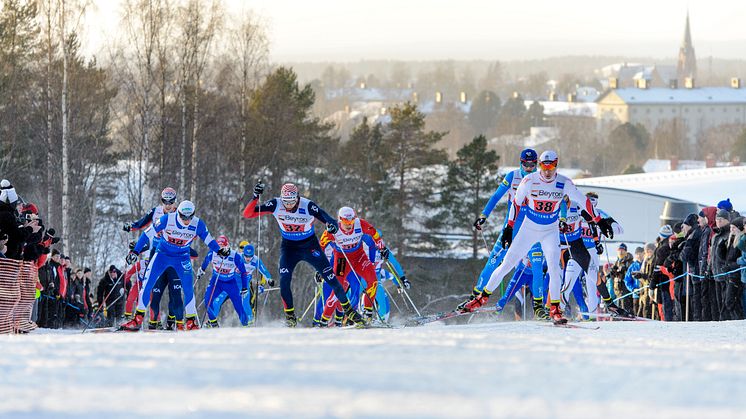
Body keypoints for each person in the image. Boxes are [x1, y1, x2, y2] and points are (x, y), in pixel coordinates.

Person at [460, 150, 611, 324]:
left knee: (554, 269)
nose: (547, 171)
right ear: (540, 165)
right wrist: (509, 227)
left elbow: (583, 201)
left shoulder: (564, 182)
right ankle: (480, 298)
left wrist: (600, 221)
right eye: (544, 166)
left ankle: (554, 309)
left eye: (551, 166)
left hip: (550, 231)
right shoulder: (529, 180)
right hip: (529, 228)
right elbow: (516, 203)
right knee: (506, 264)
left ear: (556, 165)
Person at [241, 182, 364, 327]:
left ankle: (349, 311)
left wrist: (331, 225)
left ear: (297, 198)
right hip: (289, 248)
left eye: (292, 201)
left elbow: (328, 219)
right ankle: (290, 316)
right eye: (286, 202)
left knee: (331, 278)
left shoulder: (307, 205)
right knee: (284, 281)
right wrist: (255, 197)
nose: (289, 205)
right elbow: (247, 214)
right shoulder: (276, 204)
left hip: (309, 246)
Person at [465, 148, 547, 318]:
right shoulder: (513, 176)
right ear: (521, 162)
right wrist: (483, 216)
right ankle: (476, 294)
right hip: (511, 227)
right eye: (526, 164)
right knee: (494, 261)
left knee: (537, 265)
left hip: (532, 229)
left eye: (533, 164)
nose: (529, 168)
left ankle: (539, 307)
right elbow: (496, 197)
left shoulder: (541, 179)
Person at [122, 200, 225, 331]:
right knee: (147, 283)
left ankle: (191, 321)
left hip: (182, 258)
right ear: (178, 214)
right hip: (162, 255)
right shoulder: (167, 219)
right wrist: (135, 251)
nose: (187, 220)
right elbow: (147, 233)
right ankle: (137, 319)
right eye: (183, 217)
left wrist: (219, 250)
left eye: (190, 217)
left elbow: (209, 239)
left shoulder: (197, 223)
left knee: (188, 289)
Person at [318, 206, 389, 324]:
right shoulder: (333, 229)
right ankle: (324, 320)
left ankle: (367, 313)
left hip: (359, 257)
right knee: (338, 289)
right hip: (342, 260)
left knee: (373, 281)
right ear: (340, 220)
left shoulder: (360, 224)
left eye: (351, 220)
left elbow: (375, 234)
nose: (349, 224)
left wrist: (382, 248)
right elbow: (320, 247)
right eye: (346, 221)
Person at [199, 235, 250, 327]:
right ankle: (213, 323)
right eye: (219, 247)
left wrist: (245, 287)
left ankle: (245, 324)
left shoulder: (235, 256)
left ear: (227, 246)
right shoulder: (213, 253)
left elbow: (243, 272)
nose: (221, 250)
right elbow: (206, 260)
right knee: (207, 300)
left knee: (238, 305)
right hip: (217, 282)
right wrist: (202, 270)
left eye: (223, 247)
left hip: (230, 283)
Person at [718, 216, 743, 320]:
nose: (731, 230)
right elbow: (724, 258)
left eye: (734, 228)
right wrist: (721, 247)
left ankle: (738, 320)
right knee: (728, 301)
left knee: (730, 301)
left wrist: (729, 267)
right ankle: (730, 321)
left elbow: (741, 261)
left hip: (737, 276)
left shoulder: (741, 241)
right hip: (730, 275)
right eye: (731, 228)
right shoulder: (731, 240)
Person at [680, 213, 702, 321]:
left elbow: (684, 255)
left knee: (696, 299)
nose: (682, 229)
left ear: (689, 225)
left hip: (696, 272)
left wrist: (684, 246)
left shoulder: (693, 235)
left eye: (683, 226)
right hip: (695, 271)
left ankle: (697, 320)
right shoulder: (693, 234)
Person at [698, 207, 718, 321]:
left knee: (709, 297)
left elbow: (706, 251)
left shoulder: (710, 231)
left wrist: (704, 269)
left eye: (703, 216)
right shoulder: (708, 229)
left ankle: (710, 320)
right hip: (707, 268)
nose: (700, 219)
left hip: (708, 269)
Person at [710, 210, 731, 320]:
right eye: (717, 219)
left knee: (725, 301)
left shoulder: (728, 235)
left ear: (727, 221)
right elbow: (712, 254)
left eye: (721, 220)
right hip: (716, 273)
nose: (718, 222)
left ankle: (725, 320)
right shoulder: (715, 236)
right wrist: (709, 269)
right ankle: (721, 320)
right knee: (718, 300)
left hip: (725, 273)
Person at [624, 247, 644, 316]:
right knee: (636, 313)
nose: (639, 256)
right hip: (636, 294)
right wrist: (632, 289)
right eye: (637, 254)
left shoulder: (646, 264)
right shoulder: (632, 266)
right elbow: (627, 280)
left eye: (641, 254)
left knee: (645, 312)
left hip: (645, 293)